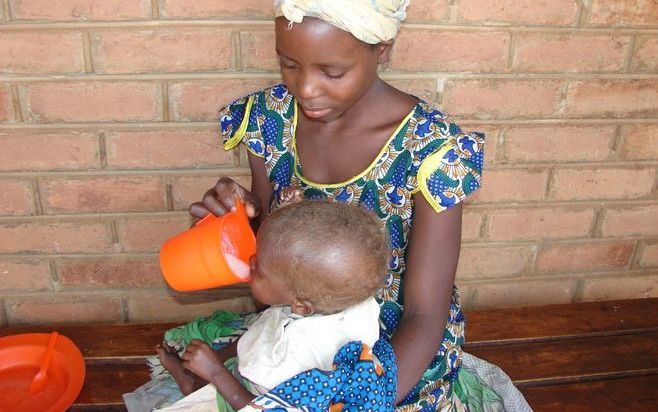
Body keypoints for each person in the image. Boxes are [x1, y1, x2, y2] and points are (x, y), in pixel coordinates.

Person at [187, 1, 530, 410]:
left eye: (332, 72)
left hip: (390, 349)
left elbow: (425, 312)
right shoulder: (269, 119)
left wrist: (366, 400)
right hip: (300, 321)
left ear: (381, 48)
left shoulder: (432, 150)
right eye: (289, 64)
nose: (306, 88)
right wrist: (238, 217)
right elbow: (267, 251)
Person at [155, 199, 396, 411]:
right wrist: (290, 210)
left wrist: (216, 372)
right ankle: (205, 370)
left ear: (301, 306)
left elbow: (267, 408)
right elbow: (303, 255)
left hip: (262, 396)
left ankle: (195, 382)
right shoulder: (331, 295)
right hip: (271, 356)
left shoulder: (304, 357)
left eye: (259, 269)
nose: (250, 262)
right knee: (261, 330)